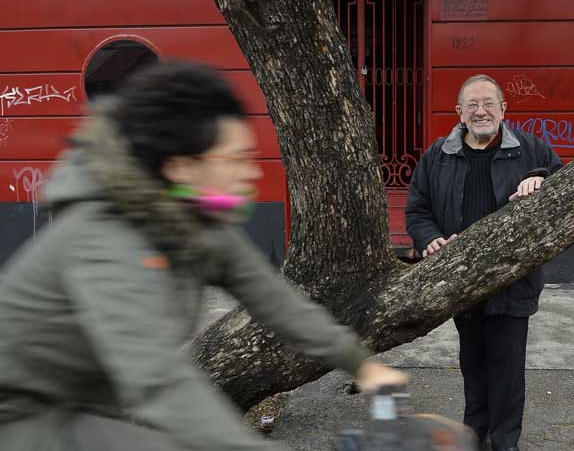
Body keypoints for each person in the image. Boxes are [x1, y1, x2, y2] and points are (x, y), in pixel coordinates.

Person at [0, 61, 407, 451]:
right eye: (234, 159)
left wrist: (360, 363)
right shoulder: (105, 238)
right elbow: (158, 378)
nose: (249, 172)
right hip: (21, 414)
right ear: (180, 166)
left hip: (88, 406)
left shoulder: (196, 220)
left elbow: (278, 303)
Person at [405, 74, 562, 451]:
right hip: (461, 282)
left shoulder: (529, 149)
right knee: (473, 367)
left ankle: (505, 442)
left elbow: (564, 179)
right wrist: (430, 239)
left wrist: (540, 178)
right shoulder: (437, 155)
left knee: (507, 370)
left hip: (513, 280)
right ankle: (474, 437)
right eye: (472, 105)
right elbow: (417, 210)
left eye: (489, 103)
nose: (481, 111)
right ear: (459, 112)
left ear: (503, 109)